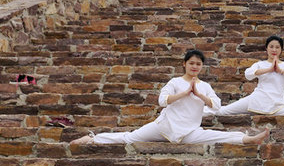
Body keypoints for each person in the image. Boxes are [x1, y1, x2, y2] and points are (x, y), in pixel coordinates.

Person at [71, 50, 267, 145]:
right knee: (131, 138)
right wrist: (184, 93)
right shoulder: (174, 82)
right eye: (191, 63)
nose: (195, 67)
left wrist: (199, 95)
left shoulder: (205, 86)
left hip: (189, 131)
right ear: (184, 64)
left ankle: (247, 139)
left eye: (198, 64)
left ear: (201, 67)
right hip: (164, 126)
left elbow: (216, 106)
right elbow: (162, 101)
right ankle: (92, 139)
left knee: (215, 136)